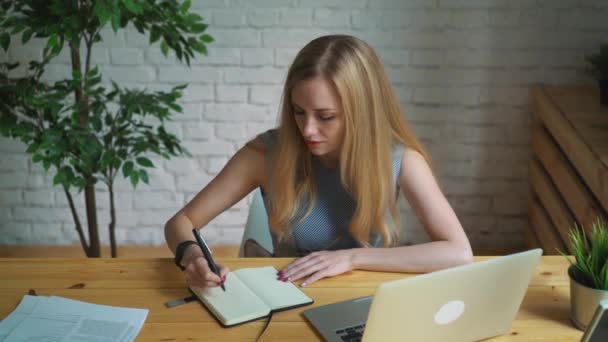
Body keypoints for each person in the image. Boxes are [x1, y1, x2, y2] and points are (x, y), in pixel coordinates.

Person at [164, 34, 473, 291]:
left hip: (366, 296)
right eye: (299, 112)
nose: (308, 130)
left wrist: (351, 258)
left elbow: (458, 252)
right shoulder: (264, 153)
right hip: (287, 295)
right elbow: (181, 223)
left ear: (362, 113)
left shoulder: (401, 160)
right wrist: (193, 257)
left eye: (326, 116)